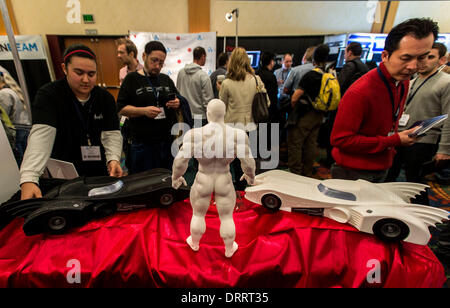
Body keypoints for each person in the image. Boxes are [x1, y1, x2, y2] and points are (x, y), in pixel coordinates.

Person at [330, 18, 439, 182]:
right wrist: (394, 140)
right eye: (406, 58)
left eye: (422, 57)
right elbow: (340, 139)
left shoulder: (403, 80)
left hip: (383, 164)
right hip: (354, 172)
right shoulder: (360, 91)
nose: (413, 66)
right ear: (385, 55)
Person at [20, 44, 123, 200]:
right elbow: (40, 137)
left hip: (97, 171)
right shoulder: (49, 95)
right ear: (64, 68)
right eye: (79, 72)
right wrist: (29, 177)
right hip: (63, 174)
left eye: (91, 74)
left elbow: (111, 134)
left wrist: (113, 158)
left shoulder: (104, 98)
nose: (86, 80)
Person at [172, 99, 255, 258]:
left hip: (203, 178)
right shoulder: (237, 135)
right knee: (226, 216)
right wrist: (250, 176)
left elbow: (181, 160)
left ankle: (194, 243)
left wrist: (176, 177)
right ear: (224, 114)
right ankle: (229, 248)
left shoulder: (195, 134)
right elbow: (248, 161)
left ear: (208, 114)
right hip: (224, 178)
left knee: (198, 214)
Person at [386, 42, 450, 183]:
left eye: (430, 57)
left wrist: (444, 150)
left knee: (415, 183)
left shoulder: (446, 83)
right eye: (421, 58)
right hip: (402, 137)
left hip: (424, 141)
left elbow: (449, 117)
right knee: (389, 177)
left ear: (442, 60)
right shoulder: (412, 80)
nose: (424, 62)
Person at [117, 41, 182, 174]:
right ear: (144, 56)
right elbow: (121, 108)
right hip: (142, 143)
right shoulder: (131, 79)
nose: (157, 66)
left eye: (161, 63)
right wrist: (143, 111)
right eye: (154, 60)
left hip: (165, 142)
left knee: (166, 179)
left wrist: (177, 103)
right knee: (144, 182)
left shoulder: (165, 79)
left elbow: (178, 98)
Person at [219, 47, 269, 190]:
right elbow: (267, 102)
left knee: (234, 162)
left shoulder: (226, 83)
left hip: (232, 128)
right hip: (251, 126)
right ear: (247, 61)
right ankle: (249, 188)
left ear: (231, 61)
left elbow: (221, 107)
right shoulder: (256, 79)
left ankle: (237, 189)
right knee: (249, 160)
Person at [288, 44, 332, 177]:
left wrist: (294, 108)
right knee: (311, 144)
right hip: (319, 114)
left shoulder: (311, 75)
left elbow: (295, 97)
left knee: (295, 142)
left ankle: (295, 172)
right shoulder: (327, 74)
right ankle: (307, 171)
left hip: (305, 114)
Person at [0, 72, 31, 166]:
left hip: (17, 127)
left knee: (20, 158)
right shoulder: (10, 90)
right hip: (24, 125)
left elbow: (5, 112)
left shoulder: (3, 93)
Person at [176, 47, 214, 124]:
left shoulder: (180, 73)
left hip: (184, 115)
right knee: (198, 136)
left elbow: (178, 93)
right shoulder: (203, 76)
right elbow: (208, 101)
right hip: (199, 117)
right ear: (203, 57)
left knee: (185, 136)